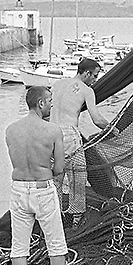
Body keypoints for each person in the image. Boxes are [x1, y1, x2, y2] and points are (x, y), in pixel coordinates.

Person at [5, 85, 70, 265]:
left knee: (19, 246)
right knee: (56, 243)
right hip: (43, 189)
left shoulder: (11, 130)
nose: (52, 104)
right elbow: (60, 168)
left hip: (19, 189)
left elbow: (17, 160)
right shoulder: (53, 131)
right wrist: (47, 169)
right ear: (40, 103)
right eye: (50, 100)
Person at [50, 58, 119, 225]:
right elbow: (96, 119)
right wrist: (112, 129)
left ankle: (55, 214)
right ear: (87, 73)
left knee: (55, 178)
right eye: (94, 76)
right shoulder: (86, 90)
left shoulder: (57, 84)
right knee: (78, 176)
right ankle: (76, 217)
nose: (95, 80)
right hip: (69, 135)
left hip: (50, 133)